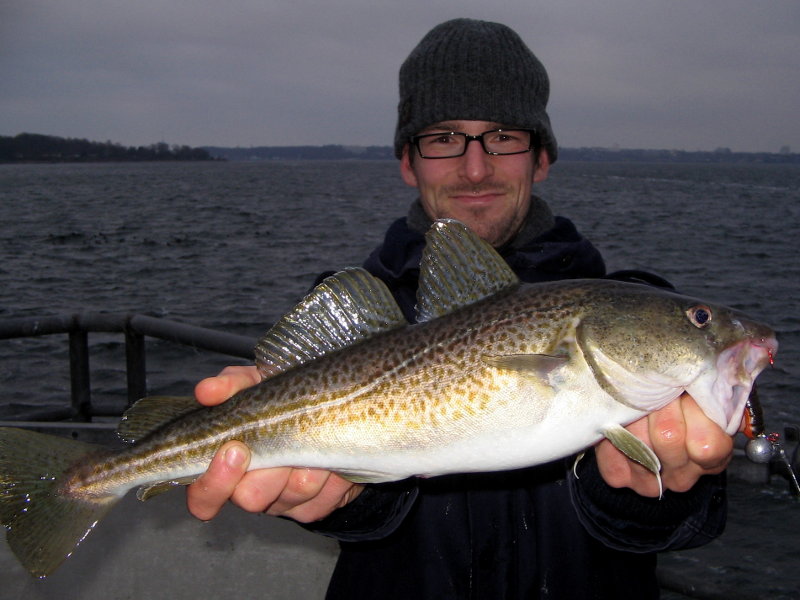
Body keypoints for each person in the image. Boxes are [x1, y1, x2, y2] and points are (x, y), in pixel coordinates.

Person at [187, 18, 734, 598]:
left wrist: (651, 489)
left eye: (502, 136)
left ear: (541, 159)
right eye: (444, 138)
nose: (475, 167)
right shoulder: (358, 321)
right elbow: (366, 499)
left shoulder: (635, 306)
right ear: (408, 161)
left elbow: (693, 520)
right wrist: (345, 500)